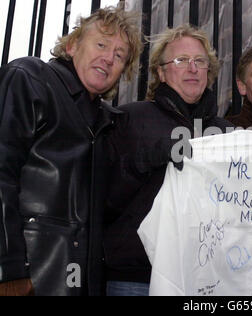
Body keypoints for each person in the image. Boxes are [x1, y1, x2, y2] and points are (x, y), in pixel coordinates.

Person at [0, 5, 142, 296]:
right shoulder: (29, 78)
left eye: (119, 55)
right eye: (101, 44)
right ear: (72, 44)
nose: (108, 58)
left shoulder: (107, 121)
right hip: (28, 276)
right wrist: (8, 268)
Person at [103, 24, 233, 296]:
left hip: (204, 280)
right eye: (181, 60)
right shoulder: (128, 118)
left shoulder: (224, 131)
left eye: (200, 61)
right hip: (135, 278)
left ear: (209, 72)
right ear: (161, 72)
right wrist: (146, 160)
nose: (192, 68)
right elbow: (102, 201)